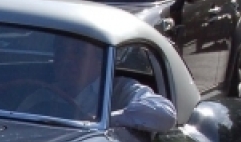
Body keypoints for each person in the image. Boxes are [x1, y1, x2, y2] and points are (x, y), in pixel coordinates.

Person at [19, 36, 177, 132]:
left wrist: (103, 119)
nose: (67, 60)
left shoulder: (120, 90)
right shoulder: (40, 96)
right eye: (60, 51)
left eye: (79, 53)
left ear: (99, 60)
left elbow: (165, 114)